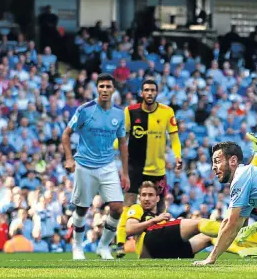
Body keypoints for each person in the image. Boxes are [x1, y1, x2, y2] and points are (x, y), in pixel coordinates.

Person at [62, 73, 130, 260]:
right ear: (97, 89)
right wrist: (69, 158)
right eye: (102, 87)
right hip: (84, 165)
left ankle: (103, 246)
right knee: (82, 208)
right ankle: (77, 247)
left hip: (108, 165)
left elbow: (123, 143)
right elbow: (66, 134)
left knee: (117, 208)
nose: (105, 90)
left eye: (108, 87)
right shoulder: (85, 110)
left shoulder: (119, 113)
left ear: (113, 89)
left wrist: (125, 173)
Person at [116, 79, 182, 258]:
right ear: (141, 93)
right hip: (135, 167)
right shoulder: (130, 112)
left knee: (160, 206)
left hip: (157, 169)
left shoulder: (167, 112)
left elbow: (174, 137)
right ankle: (120, 243)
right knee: (128, 203)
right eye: (146, 90)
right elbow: (122, 136)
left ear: (157, 93)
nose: (150, 93)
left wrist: (177, 155)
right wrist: (111, 149)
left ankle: (164, 243)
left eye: (153, 90)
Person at [125, 181, 219, 259]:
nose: (146, 198)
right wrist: (154, 221)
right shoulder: (137, 208)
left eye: (150, 195)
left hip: (166, 250)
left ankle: (232, 238)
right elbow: (129, 229)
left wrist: (175, 223)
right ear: (139, 198)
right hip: (148, 248)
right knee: (199, 223)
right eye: (143, 195)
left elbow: (165, 229)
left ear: (157, 198)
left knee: (209, 238)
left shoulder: (161, 213)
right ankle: (229, 228)